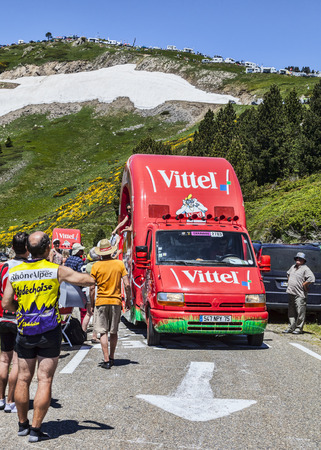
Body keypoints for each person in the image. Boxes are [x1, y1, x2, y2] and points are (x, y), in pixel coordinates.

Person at [2, 231, 95, 442]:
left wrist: (23, 311)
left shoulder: (15, 273)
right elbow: (88, 280)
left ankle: (22, 424)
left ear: (28, 249)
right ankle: (36, 430)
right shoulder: (55, 270)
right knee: (44, 380)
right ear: (47, 249)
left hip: (25, 329)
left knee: (23, 379)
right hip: (49, 331)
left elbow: (7, 303)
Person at [90, 239, 131, 369]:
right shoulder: (119, 264)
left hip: (101, 301)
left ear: (100, 253)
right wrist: (128, 299)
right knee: (114, 331)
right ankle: (112, 357)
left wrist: (92, 303)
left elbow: (91, 287)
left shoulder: (96, 266)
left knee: (103, 332)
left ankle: (106, 360)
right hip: (116, 301)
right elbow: (127, 284)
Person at [0, 232, 29, 414]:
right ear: (28, 248)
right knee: (17, 362)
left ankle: (0, 398)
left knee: (4, 359)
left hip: (3, 316)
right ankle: (11, 401)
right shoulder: (29, 268)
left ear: (12, 248)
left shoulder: (3, 267)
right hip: (21, 318)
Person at [283, 252, 315, 335]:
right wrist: (290, 281)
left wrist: (304, 285)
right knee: (291, 311)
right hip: (291, 292)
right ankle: (291, 327)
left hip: (300, 294)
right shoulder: (293, 267)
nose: (298, 260)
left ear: (303, 260)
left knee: (300, 311)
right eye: (297, 258)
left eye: (300, 259)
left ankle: (298, 328)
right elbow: (288, 274)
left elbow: (311, 278)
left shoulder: (305, 269)